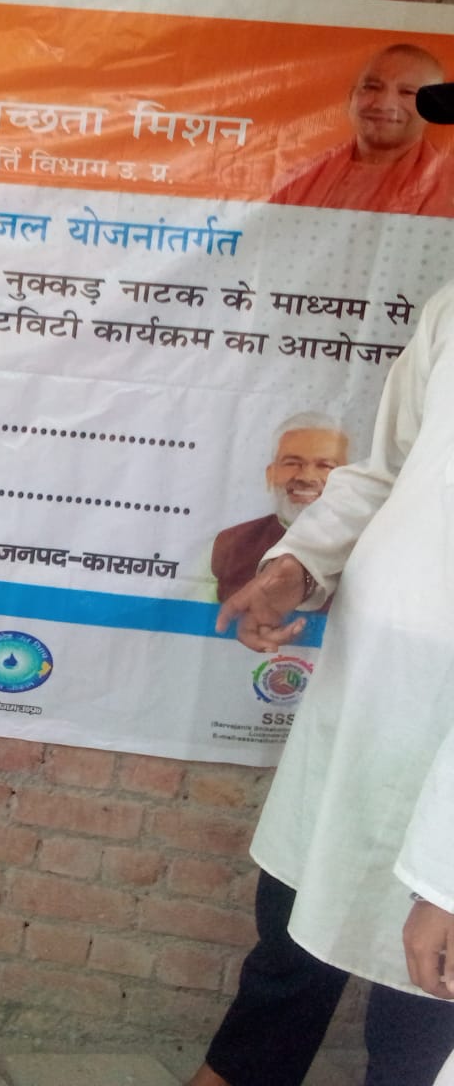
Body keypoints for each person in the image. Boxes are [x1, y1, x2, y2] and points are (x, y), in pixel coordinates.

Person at [186, 281, 454, 1086]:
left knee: (427, 993)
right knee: (295, 914)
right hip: (369, 684)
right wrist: (296, 568)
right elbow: (384, 472)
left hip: (442, 725)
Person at [269, 43, 454, 216]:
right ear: (352, 97)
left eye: (407, 92)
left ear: (432, 107)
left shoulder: (448, 182)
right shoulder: (298, 179)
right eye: (372, 87)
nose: (383, 104)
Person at [210, 412, 348, 603]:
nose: (306, 477)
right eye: (292, 463)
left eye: (325, 465)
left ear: (350, 479)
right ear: (271, 474)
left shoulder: (365, 546)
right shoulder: (231, 543)